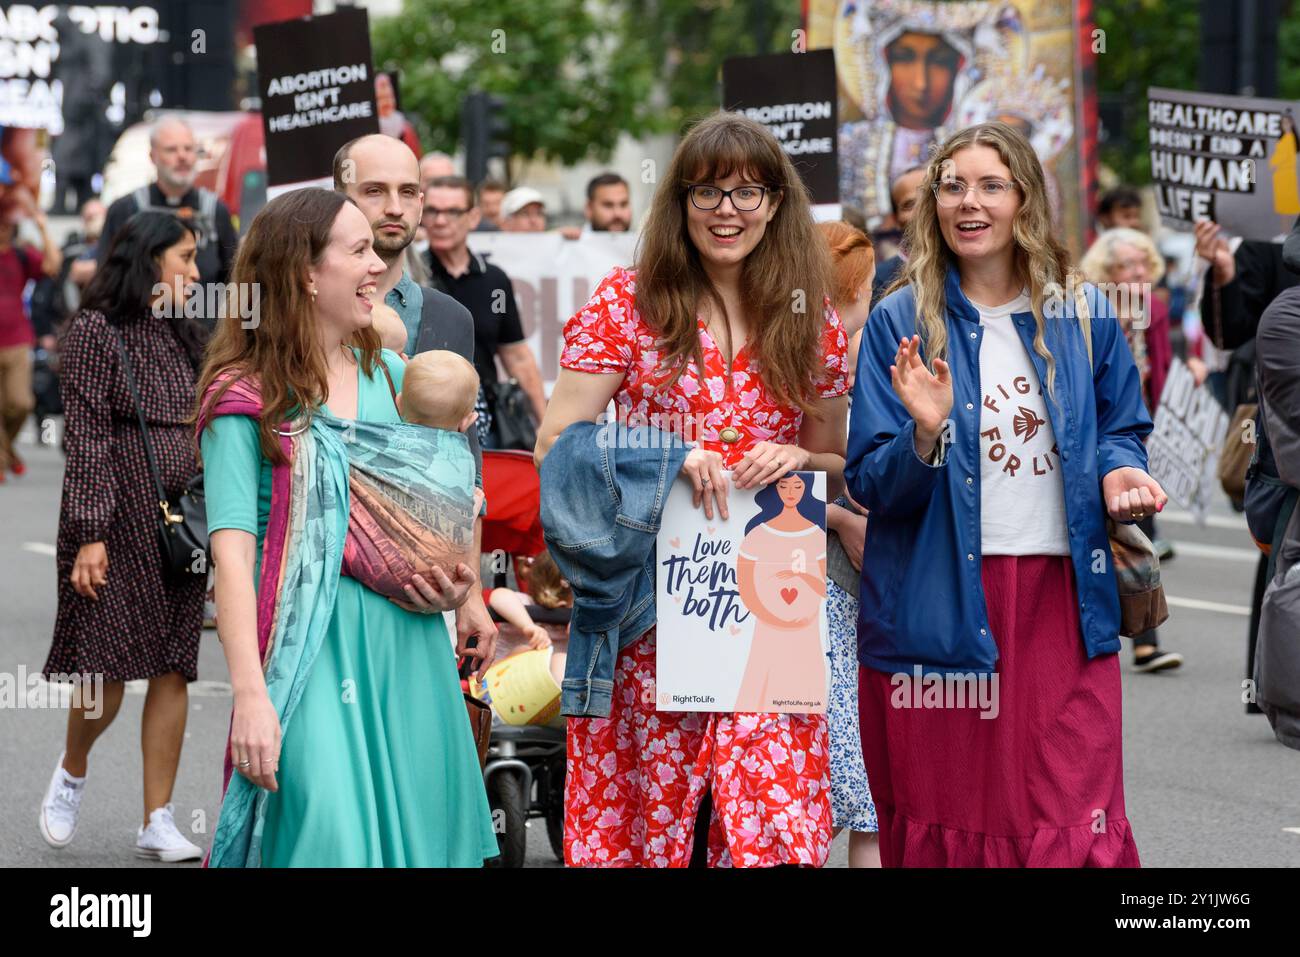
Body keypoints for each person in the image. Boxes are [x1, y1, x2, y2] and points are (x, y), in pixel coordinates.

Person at [535, 112, 849, 868]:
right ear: (679, 204)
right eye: (707, 193)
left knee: (770, 822)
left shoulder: (811, 318)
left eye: (747, 192)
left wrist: (794, 452)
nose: (727, 211)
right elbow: (556, 444)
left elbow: (838, 459)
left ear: (776, 203)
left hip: (771, 614)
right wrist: (664, 453)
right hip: (646, 610)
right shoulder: (628, 301)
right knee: (648, 825)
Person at [846, 122, 1164, 867]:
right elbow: (870, 481)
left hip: (1064, 595)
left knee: (1071, 801)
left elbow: (1121, 425)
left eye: (991, 185)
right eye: (952, 185)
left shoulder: (1082, 313)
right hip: (942, 599)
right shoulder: (901, 320)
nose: (969, 202)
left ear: (1024, 198)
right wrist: (922, 435)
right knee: (959, 805)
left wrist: (1119, 468)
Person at [197, 188, 498, 867]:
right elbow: (233, 559)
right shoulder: (243, 399)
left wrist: (458, 588)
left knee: (417, 846)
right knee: (326, 837)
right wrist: (249, 695)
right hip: (309, 657)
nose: (377, 267)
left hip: (410, 647)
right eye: (358, 251)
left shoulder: (396, 377)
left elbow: (445, 503)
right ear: (306, 272)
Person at [38, 211, 208, 862]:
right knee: (106, 667)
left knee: (173, 667)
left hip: (181, 523)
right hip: (115, 520)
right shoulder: (95, 331)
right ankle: (73, 767)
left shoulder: (187, 333)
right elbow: (83, 437)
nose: (195, 273)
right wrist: (89, 532)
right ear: (147, 260)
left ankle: (157, 817)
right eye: (185, 258)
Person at [331, 134, 499, 696]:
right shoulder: (307, 308)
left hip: (421, 585)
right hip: (329, 580)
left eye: (409, 191)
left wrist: (471, 596)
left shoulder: (449, 316)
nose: (395, 207)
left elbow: (462, 466)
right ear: (342, 197)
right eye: (374, 191)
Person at [1080, 226, 1183, 672]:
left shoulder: (1154, 308)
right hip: (1097, 437)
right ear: (1107, 270)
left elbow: (1160, 368)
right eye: (1127, 264)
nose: (1138, 271)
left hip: (1138, 435)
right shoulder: (1083, 309)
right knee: (1109, 535)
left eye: (1144, 263)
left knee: (1136, 532)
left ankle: (1144, 636)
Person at [816, 219, 880, 868]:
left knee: (855, 787)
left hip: (835, 585)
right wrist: (837, 516)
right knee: (857, 786)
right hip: (824, 589)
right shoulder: (821, 357)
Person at [423, 175, 546, 441]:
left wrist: (547, 427)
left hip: (484, 422)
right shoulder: (411, 276)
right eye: (432, 211)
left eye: (453, 212)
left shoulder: (495, 281)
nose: (440, 221)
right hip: (423, 422)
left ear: (473, 217)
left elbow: (516, 356)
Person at [98, 116, 238, 294]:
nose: (182, 156)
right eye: (171, 150)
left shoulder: (216, 211)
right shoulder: (125, 210)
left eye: (188, 148)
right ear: (153, 156)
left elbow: (233, 279)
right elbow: (106, 279)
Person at [0, 188, 60, 481]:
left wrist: (42, 226)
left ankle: (5, 451)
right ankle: (3, 459)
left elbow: (53, 266)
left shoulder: (21, 254)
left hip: (16, 340)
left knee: (20, 403)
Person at [872, 166, 926, 300]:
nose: (922, 209)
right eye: (909, 204)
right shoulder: (880, 279)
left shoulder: (970, 266)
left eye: (929, 198)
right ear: (895, 219)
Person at [561, 172, 633, 239]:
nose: (618, 213)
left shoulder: (640, 246)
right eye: (608, 205)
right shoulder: (568, 245)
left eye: (623, 204)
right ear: (589, 208)